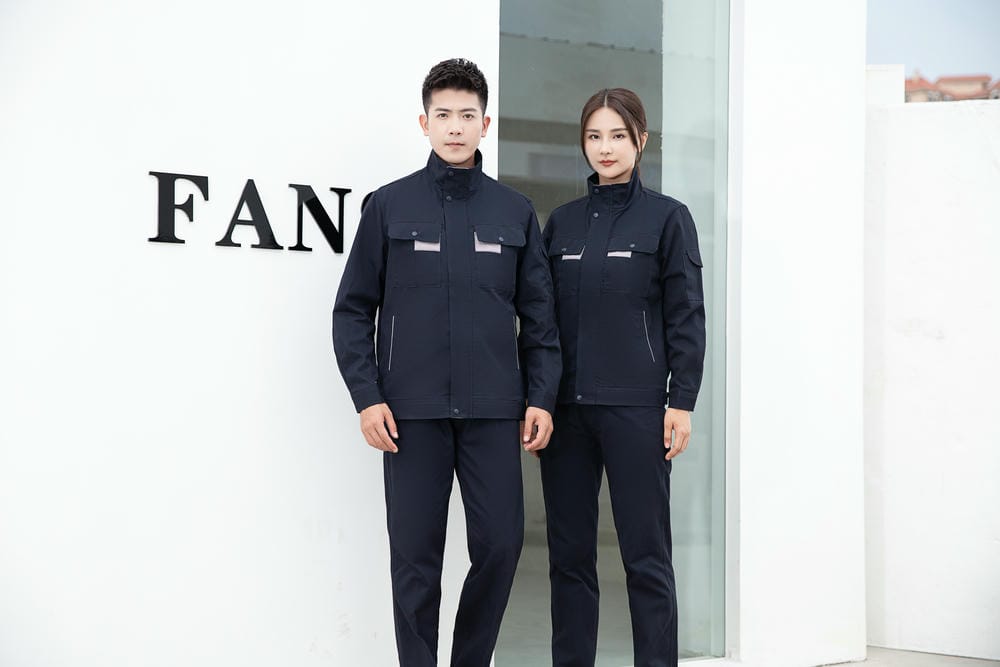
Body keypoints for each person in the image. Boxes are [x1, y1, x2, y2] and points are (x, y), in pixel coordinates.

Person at [332, 58, 561, 667]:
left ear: (486, 124)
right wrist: (367, 396)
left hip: (494, 413)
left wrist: (541, 397)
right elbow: (352, 310)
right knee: (415, 562)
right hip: (411, 415)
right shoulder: (388, 206)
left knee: (501, 546)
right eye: (443, 115)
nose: (454, 127)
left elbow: (540, 320)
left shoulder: (514, 212)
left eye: (466, 115)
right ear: (424, 123)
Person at [540, 88, 706, 667]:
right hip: (566, 414)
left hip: (637, 411)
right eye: (594, 136)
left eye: (616, 135)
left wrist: (681, 401)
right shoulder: (561, 224)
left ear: (641, 139)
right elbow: (540, 322)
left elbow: (686, 316)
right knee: (569, 559)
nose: (604, 148)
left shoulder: (668, 219)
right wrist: (539, 399)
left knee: (646, 557)